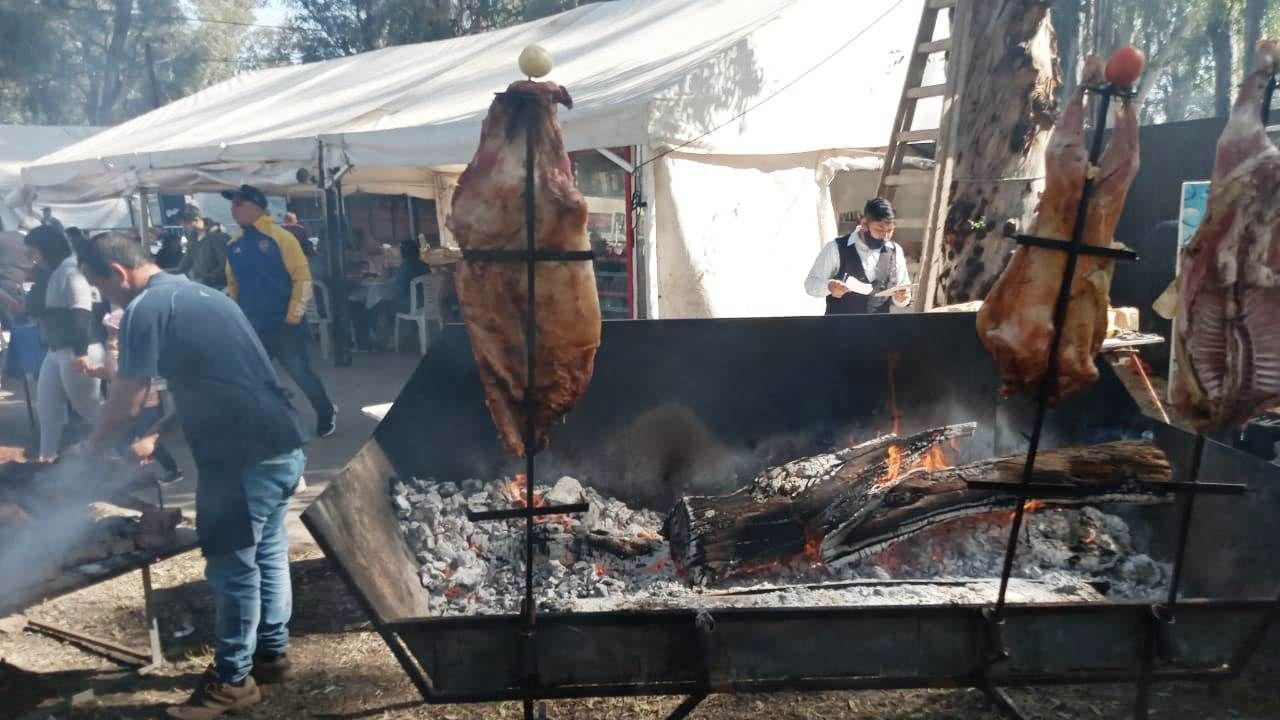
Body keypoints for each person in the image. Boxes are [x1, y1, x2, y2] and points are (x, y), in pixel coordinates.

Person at [79, 232, 306, 719]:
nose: (105, 300)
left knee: (232, 565)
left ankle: (232, 683)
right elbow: (219, 379)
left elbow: (129, 395)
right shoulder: (209, 296)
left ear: (117, 274)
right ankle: (272, 655)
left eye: (100, 288)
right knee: (266, 553)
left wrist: (91, 450)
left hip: (240, 455)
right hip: (280, 443)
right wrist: (158, 435)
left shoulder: (145, 308)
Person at [222, 185, 336, 437]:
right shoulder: (233, 244)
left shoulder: (282, 237)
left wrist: (293, 316)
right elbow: (233, 286)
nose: (233, 209)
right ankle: (274, 421)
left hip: (285, 323)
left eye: (238, 204)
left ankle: (326, 410)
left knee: (300, 372)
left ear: (256, 207)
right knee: (254, 378)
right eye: (232, 204)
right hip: (252, 325)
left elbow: (302, 278)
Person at [24, 225, 105, 461]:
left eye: (34, 251)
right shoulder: (54, 270)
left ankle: (128, 448)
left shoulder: (70, 271)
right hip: (58, 349)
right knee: (48, 409)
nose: (33, 257)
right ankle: (46, 458)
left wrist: (81, 353)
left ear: (46, 249)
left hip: (79, 348)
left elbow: (82, 313)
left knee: (89, 408)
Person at [79, 307, 182, 483]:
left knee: (146, 439)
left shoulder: (128, 352)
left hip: (144, 404)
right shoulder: (117, 352)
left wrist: (112, 353)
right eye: (109, 333)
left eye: (113, 333)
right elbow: (111, 374)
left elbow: (121, 375)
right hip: (134, 404)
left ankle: (170, 470)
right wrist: (93, 372)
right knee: (125, 440)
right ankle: (128, 473)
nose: (110, 337)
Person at [804, 197, 912, 315]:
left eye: (890, 230)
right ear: (864, 223)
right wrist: (829, 286)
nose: (885, 236)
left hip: (879, 330)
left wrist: (902, 298)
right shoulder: (836, 248)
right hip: (840, 329)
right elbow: (810, 284)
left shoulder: (895, 251)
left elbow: (903, 293)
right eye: (879, 229)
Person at [176, 209, 230, 289]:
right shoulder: (193, 237)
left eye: (185, 222)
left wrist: (205, 280)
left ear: (196, 219)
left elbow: (225, 265)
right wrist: (172, 274)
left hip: (219, 286)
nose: (182, 225)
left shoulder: (217, 235)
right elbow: (187, 260)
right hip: (201, 285)